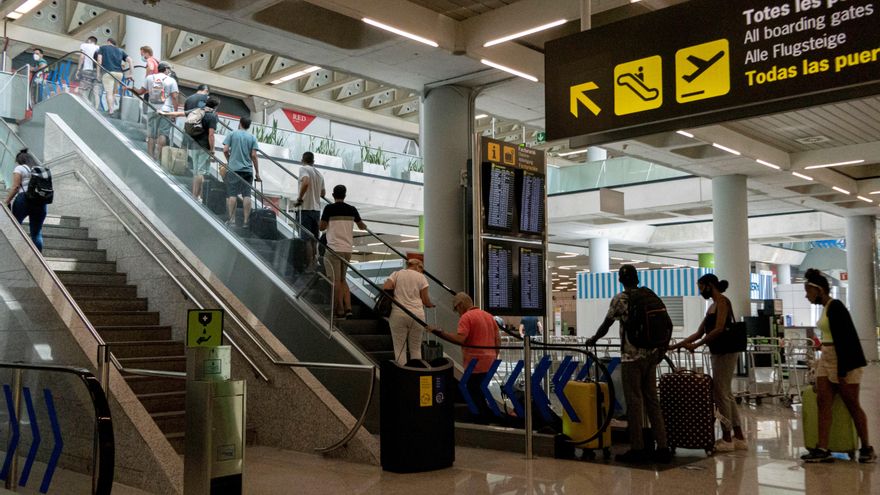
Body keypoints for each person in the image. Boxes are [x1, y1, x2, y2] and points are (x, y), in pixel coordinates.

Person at [585, 265, 671, 463]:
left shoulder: (621, 299)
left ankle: (638, 448)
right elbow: (669, 324)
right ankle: (663, 446)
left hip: (631, 359)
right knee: (652, 400)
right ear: (637, 278)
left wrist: (593, 339)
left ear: (620, 280)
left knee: (634, 402)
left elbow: (606, 325)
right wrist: (662, 351)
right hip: (651, 356)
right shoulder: (650, 295)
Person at [799, 269, 874, 463]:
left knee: (852, 404)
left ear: (820, 290)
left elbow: (845, 339)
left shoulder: (836, 306)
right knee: (823, 402)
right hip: (827, 357)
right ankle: (823, 448)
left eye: (808, 291)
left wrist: (842, 371)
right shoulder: (825, 308)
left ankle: (867, 447)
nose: (806, 295)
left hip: (844, 359)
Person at [670, 273, 747, 452]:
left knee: (721, 393)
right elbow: (699, 332)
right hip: (719, 351)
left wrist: (696, 346)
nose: (700, 290)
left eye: (701, 286)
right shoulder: (712, 306)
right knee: (725, 393)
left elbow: (719, 328)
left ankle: (728, 437)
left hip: (725, 351)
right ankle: (739, 436)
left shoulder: (722, 302)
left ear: (709, 285)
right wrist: (677, 346)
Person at [429, 292, 500, 423]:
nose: (457, 313)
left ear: (460, 305)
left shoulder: (466, 317)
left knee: (472, 391)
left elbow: (460, 339)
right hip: (490, 361)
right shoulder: (488, 316)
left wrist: (439, 332)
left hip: (474, 362)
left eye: (456, 309)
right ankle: (488, 417)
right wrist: (495, 356)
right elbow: (498, 339)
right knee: (480, 390)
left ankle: (481, 420)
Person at [320, 185, 367, 319]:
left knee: (335, 281)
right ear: (345, 195)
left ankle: (338, 309)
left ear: (334, 195)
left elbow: (322, 226)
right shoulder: (352, 209)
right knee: (342, 279)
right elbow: (362, 226)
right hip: (347, 249)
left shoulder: (329, 208)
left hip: (334, 249)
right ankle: (348, 308)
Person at [166, 95, 219, 199]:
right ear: (216, 106)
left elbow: (181, 113)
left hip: (194, 145)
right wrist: (212, 150)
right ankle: (198, 196)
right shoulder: (212, 117)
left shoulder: (198, 111)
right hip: (204, 147)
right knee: (201, 172)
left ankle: (194, 195)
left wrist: (165, 113)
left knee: (196, 172)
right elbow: (211, 135)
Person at [383, 259, 434, 364]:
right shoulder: (421, 277)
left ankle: (403, 376)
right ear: (418, 267)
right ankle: (416, 374)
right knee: (415, 348)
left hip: (398, 313)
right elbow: (425, 300)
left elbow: (386, 287)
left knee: (399, 348)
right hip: (417, 315)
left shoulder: (396, 274)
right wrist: (430, 304)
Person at [128, 62, 179, 159]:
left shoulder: (150, 78)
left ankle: (150, 156)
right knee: (163, 134)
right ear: (166, 69)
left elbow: (140, 92)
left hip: (152, 109)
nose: (169, 71)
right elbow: (175, 97)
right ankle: (158, 156)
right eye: (169, 69)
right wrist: (175, 113)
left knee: (151, 134)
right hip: (166, 110)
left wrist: (132, 88)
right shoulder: (171, 80)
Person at [4, 150, 48, 251]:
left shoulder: (20, 168)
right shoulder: (41, 169)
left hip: (24, 199)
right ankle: (38, 262)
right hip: (41, 202)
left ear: (20, 160)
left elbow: (15, 187)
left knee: (14, 227)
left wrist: (6, 201)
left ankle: (11, 252)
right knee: (36, 234)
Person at [222, 116, 260, 227]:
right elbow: (254, 155)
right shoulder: (252, 137)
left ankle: (232, 221)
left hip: (234, 170)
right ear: (249, 126)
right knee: (247, 195)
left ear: (240, 123)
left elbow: (225, 150)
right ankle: (246, 221)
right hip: (247, 171)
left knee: (232, 194)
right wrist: (257, 172)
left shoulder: (232, 134)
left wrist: (229, 159)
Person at [294, 152, 325, 271]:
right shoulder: (319, 174)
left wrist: (300, 198)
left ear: (303, 160)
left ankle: (309, 265)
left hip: (305, 208)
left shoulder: (303, 169)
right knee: (314, 239)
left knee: (306, 238)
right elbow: (323, 193)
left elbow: (306, 182)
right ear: (313, 161)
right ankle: (315, 262)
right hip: (316, 210)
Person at [95, 38, 131, 114]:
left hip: (108, 73)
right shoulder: (120, 50)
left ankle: (111, 110)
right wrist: (131, 73)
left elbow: (99, 60)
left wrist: (98, 73)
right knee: (114, 93)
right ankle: (112, 108)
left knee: (109, 93)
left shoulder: (102, 48)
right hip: (119, 74)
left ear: (108, 42)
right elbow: (130, 60)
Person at [76, 36, 100, 108]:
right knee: (96, 92)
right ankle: (96, 109)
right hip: (96, 71)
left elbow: (82, 57)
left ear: (89, 40)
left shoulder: (84, 45)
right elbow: (99, 61)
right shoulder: (98, 48)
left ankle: (88, 104)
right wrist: (98, 73)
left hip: (87, 70)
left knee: (81, 91)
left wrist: (78, 69)